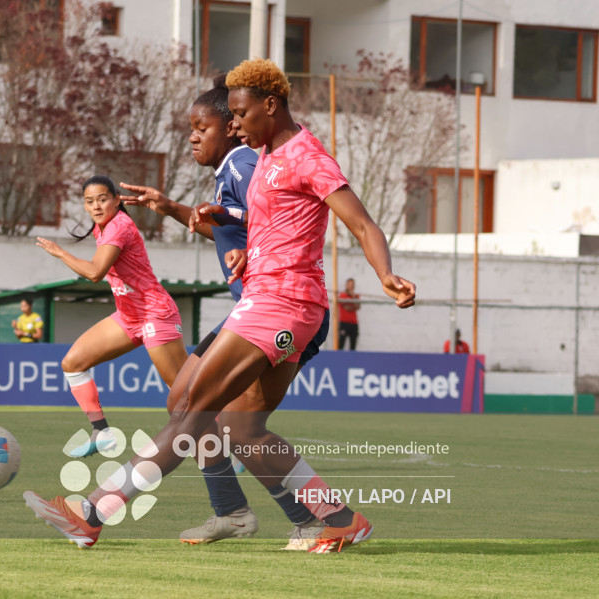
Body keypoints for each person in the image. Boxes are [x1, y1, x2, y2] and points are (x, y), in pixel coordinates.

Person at [23, 58, 415, 554]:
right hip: (272, 299)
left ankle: (93, 512)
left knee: (192, 409)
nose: (235, 125)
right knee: (239, 428)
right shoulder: (266, 156)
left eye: (240, 114)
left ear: (270, 105)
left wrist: (385, 274)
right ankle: (339, 519)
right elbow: (271, 226)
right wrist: (241, 244)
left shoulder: (307, 156)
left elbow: (361, 223)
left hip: (282, 303)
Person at [120, 75, 328, 550]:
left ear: (232, 128)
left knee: (229, 425)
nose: (193, 137)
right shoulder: (231, 169)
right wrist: (173, 208)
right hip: (253, 309)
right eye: (190, 129)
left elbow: (277, 217)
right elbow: (231, 230)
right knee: (191, 408)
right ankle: (235, 511)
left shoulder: (243, 162)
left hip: (278, 308)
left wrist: (242, 235)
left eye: (202, 127)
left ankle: (308, 516)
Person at [36, 175, 188, 458]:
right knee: (72, 363)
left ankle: (236, 443)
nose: (96, 206)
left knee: (184, 396)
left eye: (102, 199)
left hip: (155, 315)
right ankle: (102, 434)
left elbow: (95, 272)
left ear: (117, 200)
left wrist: (60, 253)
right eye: (89, 201)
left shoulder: (119, 225)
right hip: (128, 317)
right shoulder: (101, 227)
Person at [338, 278, 360, 350]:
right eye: (350, 284)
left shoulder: (356, 296)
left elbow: (358, 306)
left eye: (353, 284)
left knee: (353, 345)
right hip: (344, 323)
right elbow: (347, 308)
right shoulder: (342, 295)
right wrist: (353, 306)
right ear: (346, 285)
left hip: (354, 323)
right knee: (341, 345)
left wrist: (353, 297)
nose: (351, 286)